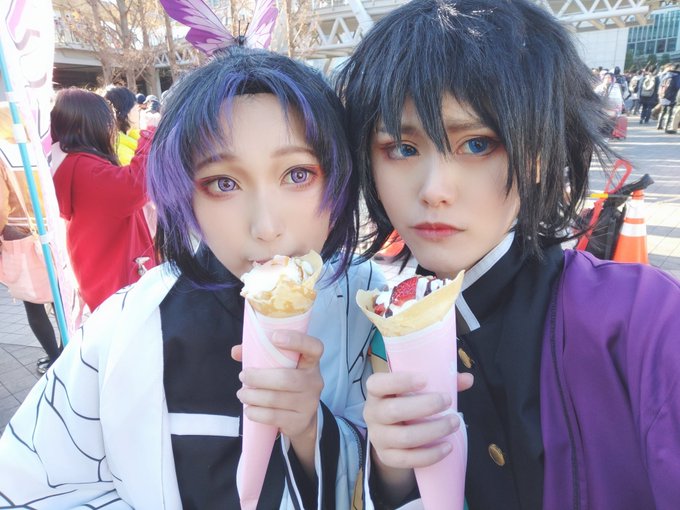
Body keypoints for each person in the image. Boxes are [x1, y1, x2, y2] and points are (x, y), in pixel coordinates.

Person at [0, 47, 384, 508]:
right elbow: (29, 484)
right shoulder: (128, 327)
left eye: (298, 174)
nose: (266, 227)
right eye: (224, 183)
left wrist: (310, 429)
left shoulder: (374, 307)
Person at [336, 0, 680, 508]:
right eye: (402, 148)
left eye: (477, 144)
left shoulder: (645, 320)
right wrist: (392, 473)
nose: (434, 190)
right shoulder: (375, 325)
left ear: (538, 154)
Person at [50, 88, 157, 311]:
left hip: (103, 279)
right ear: (89, 125)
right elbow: (135, 186)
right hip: (121, 285)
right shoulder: (85, 168)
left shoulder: (71, 162)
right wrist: (150, 136)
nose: (110, 128)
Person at [0, 160, 61, 374]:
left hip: (21, 236)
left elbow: (1, 208)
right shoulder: (40, 145)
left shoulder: (2, 152)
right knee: (60, 299)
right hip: (53, 231)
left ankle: (55, 358)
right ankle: (65, 352)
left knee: (32, 303)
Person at [104, 85, 142, 164]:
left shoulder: (133, 138)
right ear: (125, 112)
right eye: (136, 109)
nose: (139, 113)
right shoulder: (120, 151)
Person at [656, 63, 680, 133]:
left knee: (663, 110)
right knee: (670, 111)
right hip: (672, 96)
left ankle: (659, 124)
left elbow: (660, 84)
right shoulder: (677, 76)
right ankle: (666, 126)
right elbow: (677, 86)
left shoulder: (665, 74)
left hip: (662, 94)